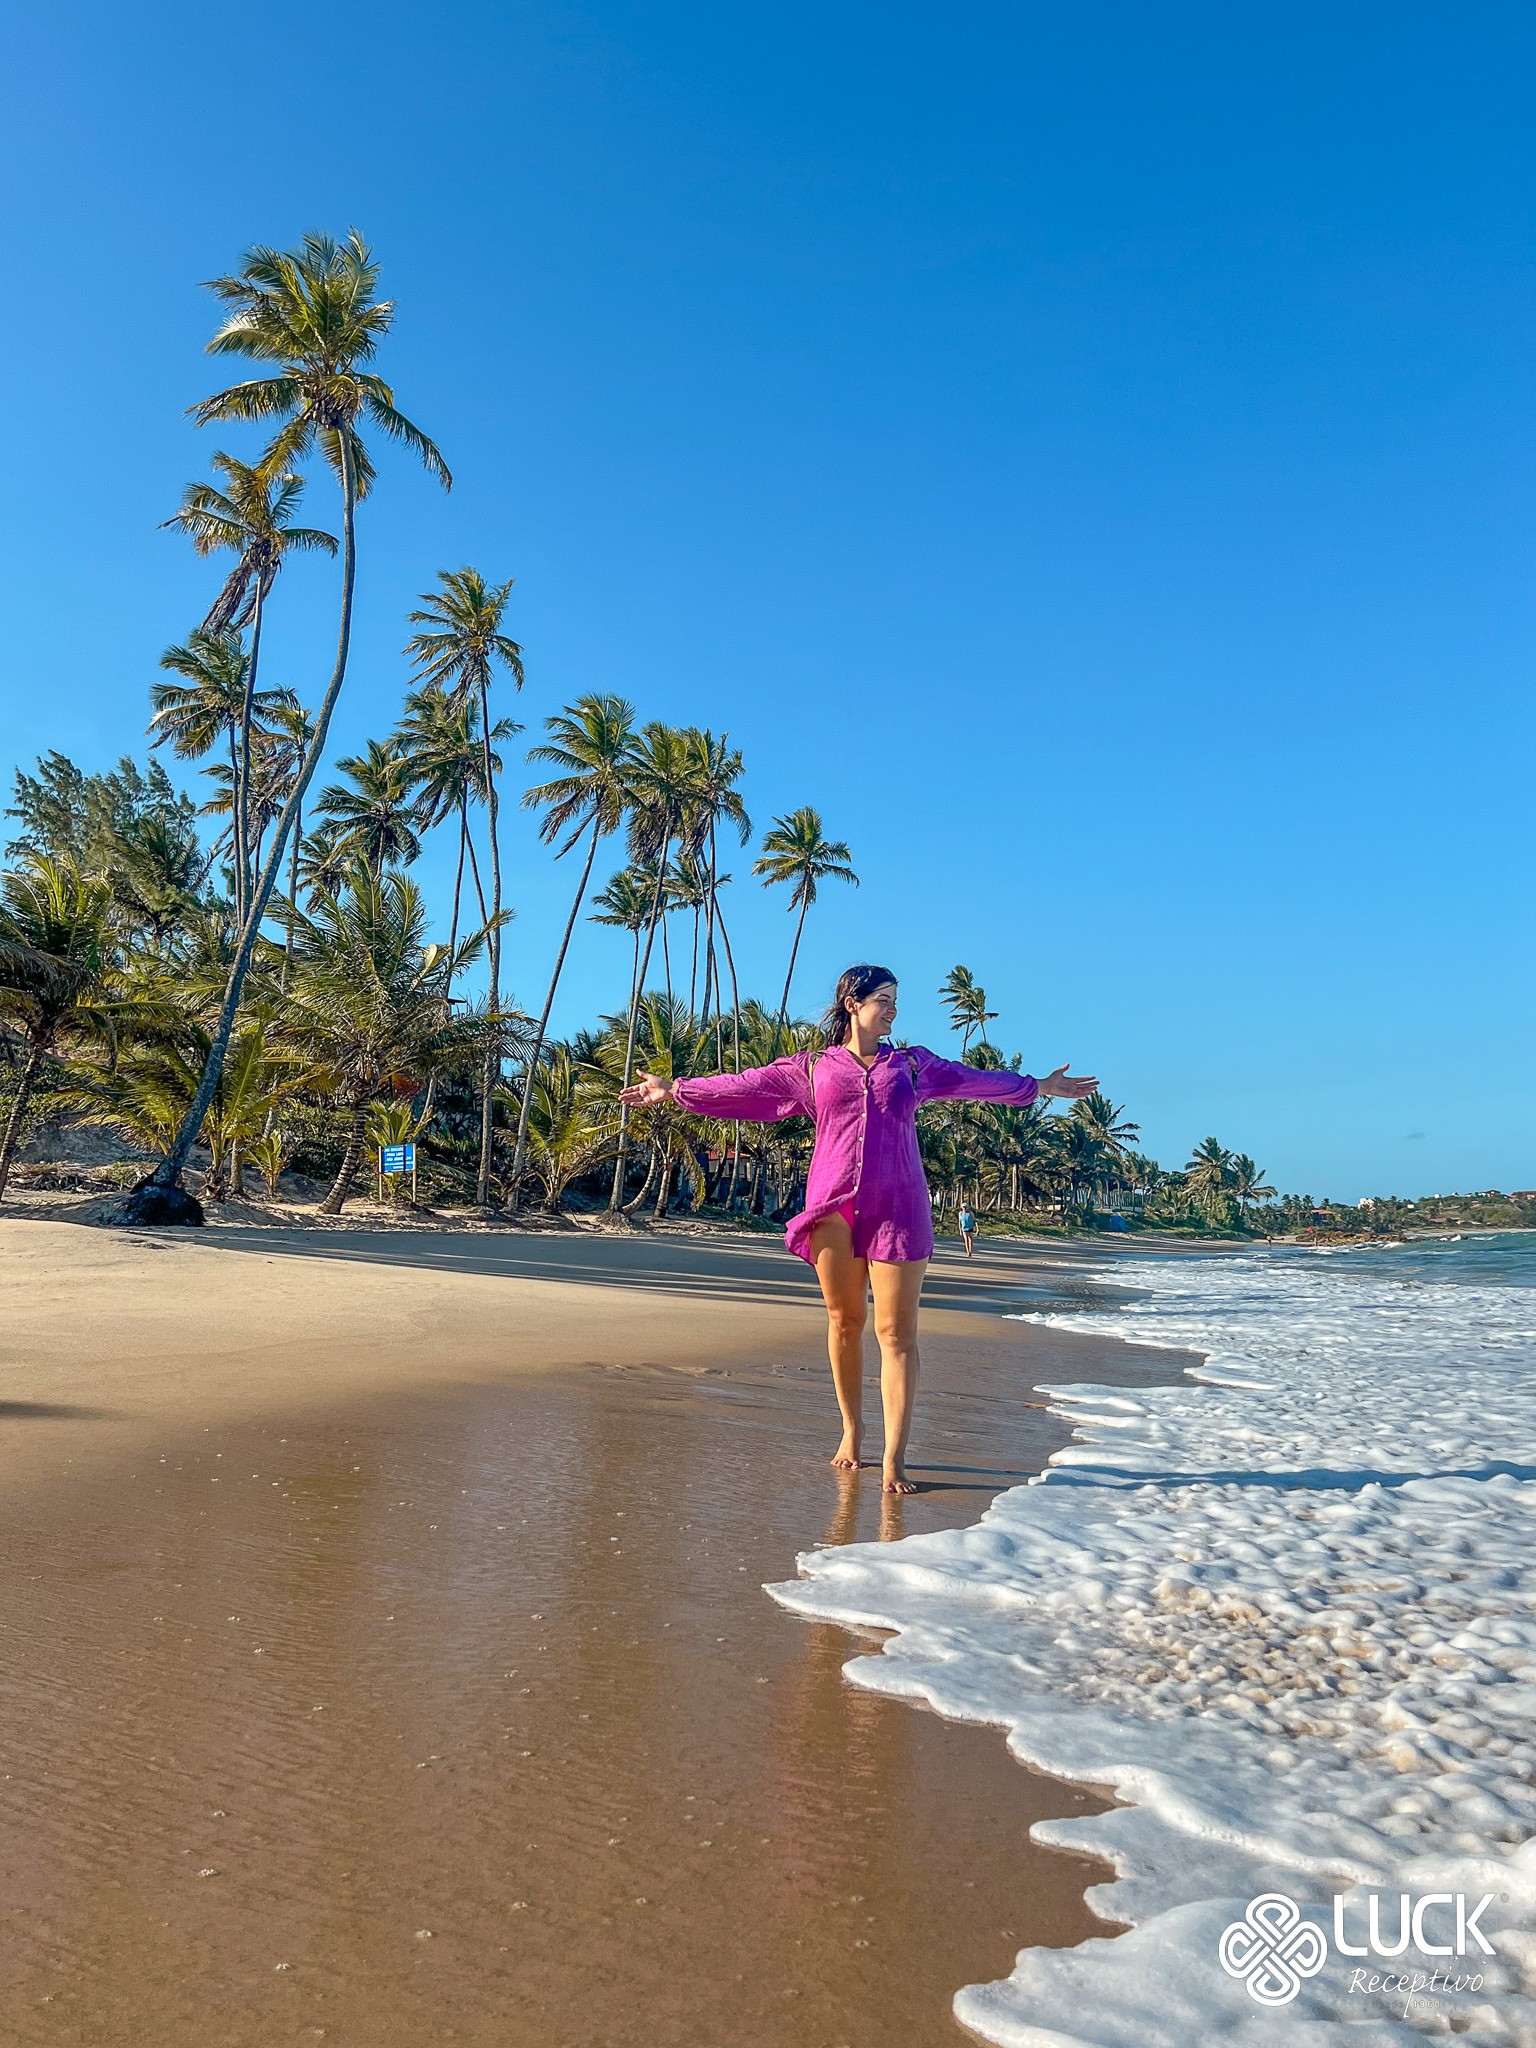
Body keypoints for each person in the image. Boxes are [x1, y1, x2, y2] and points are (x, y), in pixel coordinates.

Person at [620, 963, 1096, 1493]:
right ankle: (852, 1429)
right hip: (832, 1204)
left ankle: (894, 1457)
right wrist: (677, 1089)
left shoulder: (913, 1066)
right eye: (884, 1000)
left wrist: (1039, 1086)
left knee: (896, 1334)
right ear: (853, 1003)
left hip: (900, 1205)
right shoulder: (813, 1067)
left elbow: (975, 1081)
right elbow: (747, 1088)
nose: (893, 1010)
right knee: (845, 1322)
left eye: (896, 1001)